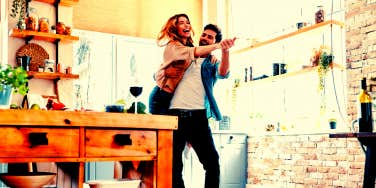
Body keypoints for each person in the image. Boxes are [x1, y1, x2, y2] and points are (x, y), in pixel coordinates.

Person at [148, 13, 234, 115]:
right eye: (203, 35)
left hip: (199, 114)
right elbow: (159, 73)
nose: (205, 38)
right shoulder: (182, 50)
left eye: (210, 37)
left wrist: (225, 51)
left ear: (216, 41)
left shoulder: (212, 63)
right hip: (169, 105)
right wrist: (162, 72)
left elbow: (223, 74)